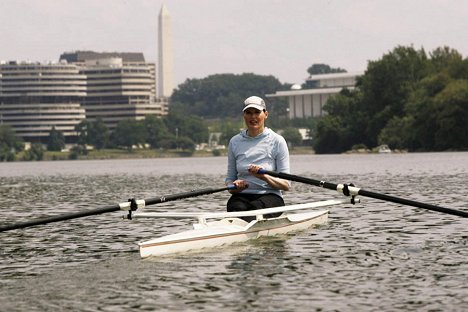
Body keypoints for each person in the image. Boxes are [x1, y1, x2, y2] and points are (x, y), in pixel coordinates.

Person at [225, 95, 291, 221]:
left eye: (257, 112)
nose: (253, 117)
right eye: (248, 113)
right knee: (236, 207)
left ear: (265, 114)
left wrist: (264, 177)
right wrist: (234, 186)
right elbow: (229, 180)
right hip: (242, 197)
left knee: (254, 211)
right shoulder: (235, 142)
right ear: (244, 115)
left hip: (270, 196)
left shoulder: (277, 141)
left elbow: (286, 185)